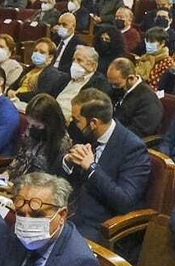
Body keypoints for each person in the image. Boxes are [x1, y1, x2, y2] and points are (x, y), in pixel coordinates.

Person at [63, 88, 151, 246]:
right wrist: (68, 160)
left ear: (94, 123)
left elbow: (124, 201)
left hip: (100, 224)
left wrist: (91, 168)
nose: (72, 124)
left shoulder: (133, 148)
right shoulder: (86, 134)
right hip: (71, 209)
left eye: (77, 120)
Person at [106, 56, 161, 137]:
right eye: (111, 84)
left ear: (131, 78)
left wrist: (109, 133)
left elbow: (138, 131)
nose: (113, 87)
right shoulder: (119, 89)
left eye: (116, 84)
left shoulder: (148, 100)